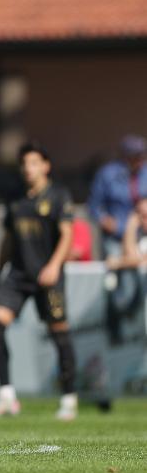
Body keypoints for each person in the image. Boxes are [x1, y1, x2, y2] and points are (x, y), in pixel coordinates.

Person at [0, 141, 77, 420]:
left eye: (34, 163)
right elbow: (9, 239)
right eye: (24, 163)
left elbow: (68, 234)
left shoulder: (59, 195)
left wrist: (53, 266)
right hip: (18, 275)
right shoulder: (16, 200)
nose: (28, 168)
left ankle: (69, 399)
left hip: (48, 275)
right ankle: (6, 397)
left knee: (59, 333)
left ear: (46, 166)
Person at [89, 135, 147, 332]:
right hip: (115, 236)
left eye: (142, 155)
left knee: (138, 278)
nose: (139, 160)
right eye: (135, 156)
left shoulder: (145, 173)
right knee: (115, 284)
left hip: (139, 235)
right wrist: (104, 219)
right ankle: (115, 325)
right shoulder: (108, 174)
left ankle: (131, 320)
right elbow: (94, 207)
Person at [104, 197, 147, 343]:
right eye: (140, 215)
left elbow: (141, 261)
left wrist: (119, 263)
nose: (143, 219)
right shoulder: (138, 234)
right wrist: (130, 225)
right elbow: (130, 255)